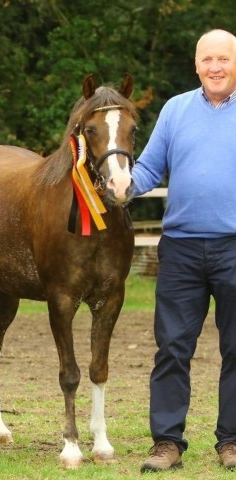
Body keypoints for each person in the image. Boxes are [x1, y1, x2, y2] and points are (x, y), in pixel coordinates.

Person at [131, 29, 236, 472]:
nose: (215, 67)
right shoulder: (175, 110)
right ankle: (167, 443)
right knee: (172, 347)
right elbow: (148, 170)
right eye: (208, 59)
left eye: (224, 59)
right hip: (181, 251)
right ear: (196, 65)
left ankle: (231, 442)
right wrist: (121, 185)